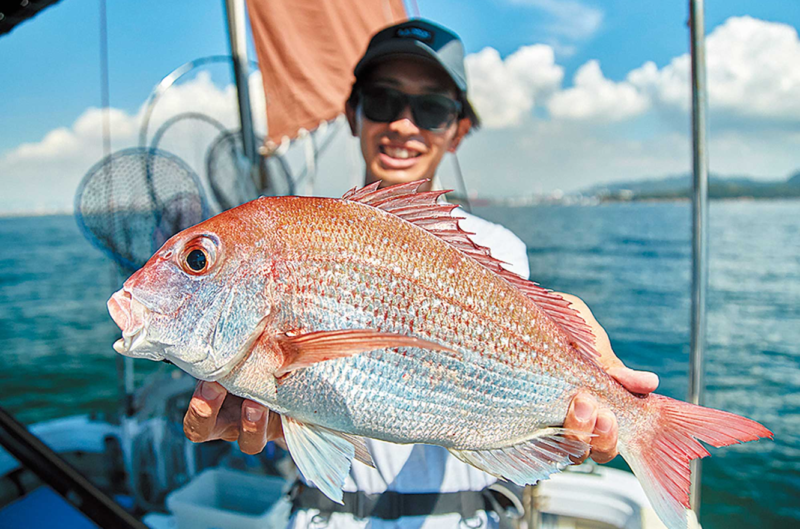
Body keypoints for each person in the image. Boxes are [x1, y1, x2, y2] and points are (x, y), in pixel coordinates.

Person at [183, 18, 660, 528]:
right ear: (353, 113)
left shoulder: (498, 249)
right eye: (383, 101)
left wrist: (582, 354)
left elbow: (528, 347)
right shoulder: (305, 233)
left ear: (459, 131)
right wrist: (267, 401)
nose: (405, 125)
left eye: (432, 109)